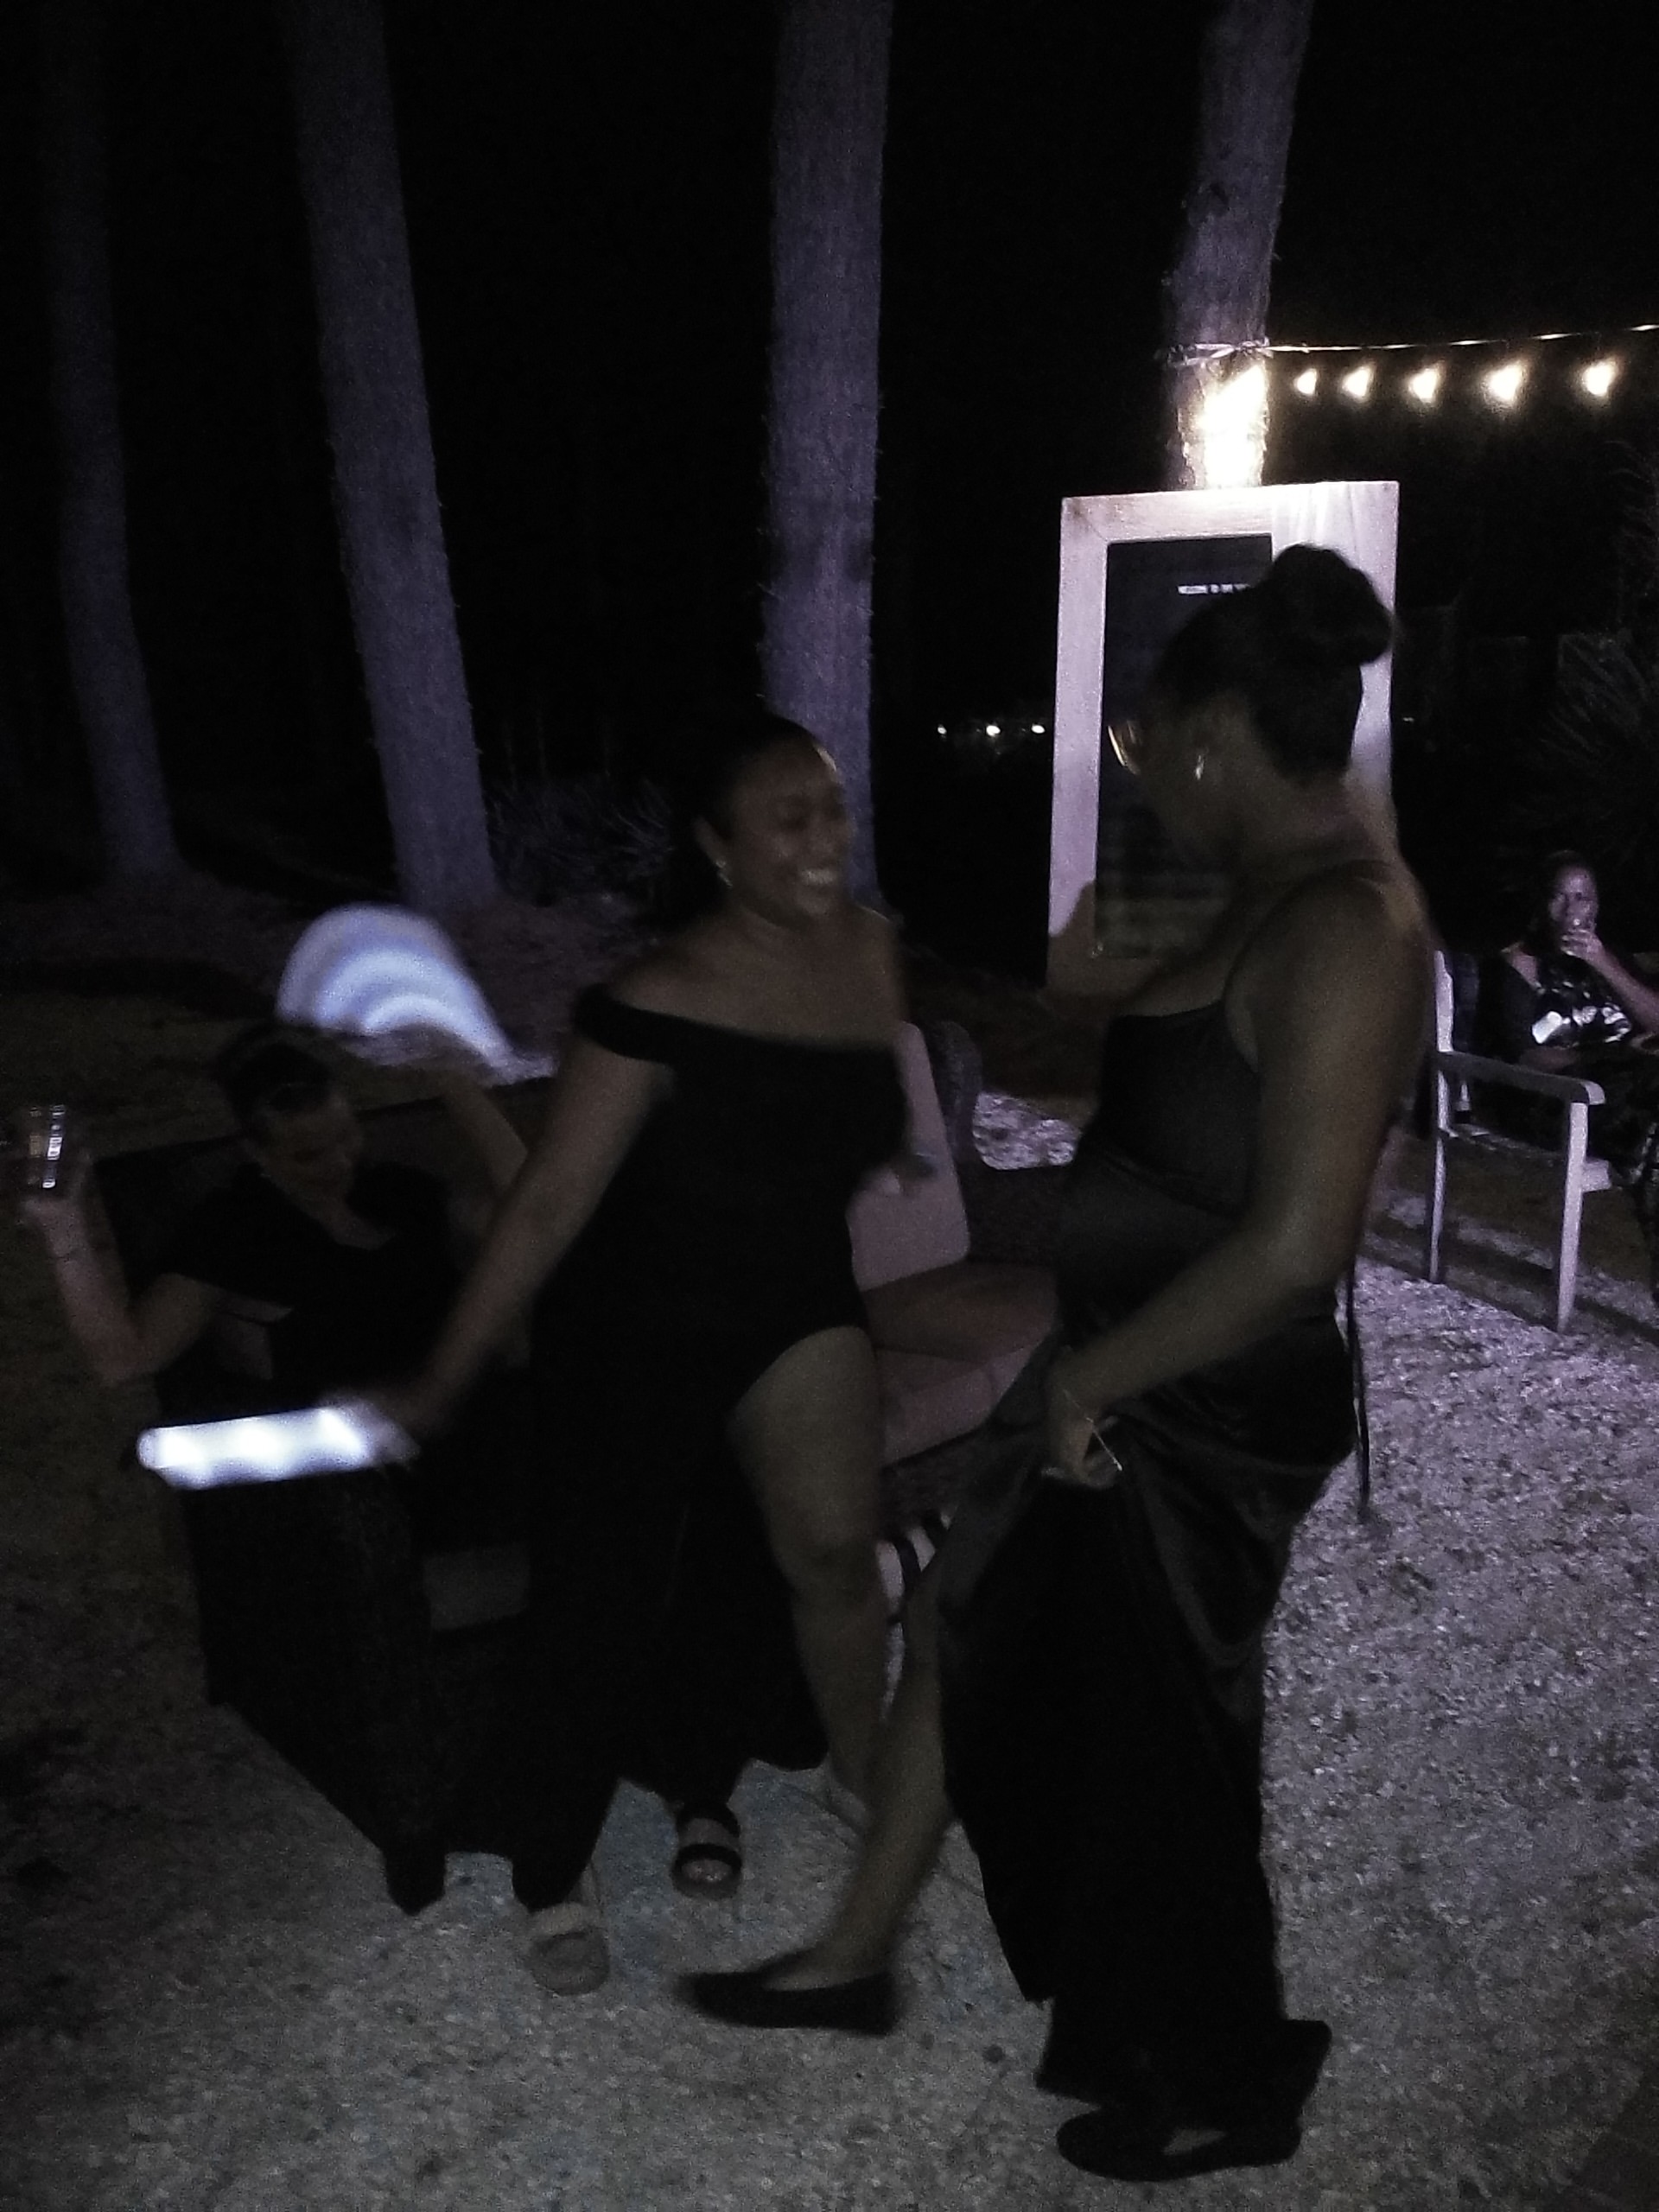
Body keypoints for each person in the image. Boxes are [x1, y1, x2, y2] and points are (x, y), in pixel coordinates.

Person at [689, 548, 1430, 2186]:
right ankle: (860, 1953)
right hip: (1130, 1365)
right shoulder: (1277, 888)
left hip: (1197, 1399)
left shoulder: (1350, 922)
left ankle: (1225, 2081)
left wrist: (1094, 1384)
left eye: (1151, 746)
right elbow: (1150, 1042)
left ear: (1219, 737)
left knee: (1172, 1745)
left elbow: (1298, 1243)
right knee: (970, 1617)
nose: (1144, 777)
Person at [384, 708, 908, 1996]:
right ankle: (552, 1855)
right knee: (599, 1598)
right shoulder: (648, 1001)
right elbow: (549, 1205)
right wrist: (448, 1370)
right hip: (635, 1321)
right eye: (788, 818)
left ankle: (862, 1773)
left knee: (834, 1550)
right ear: (716, 847)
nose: (823, 838)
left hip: (794, 1297)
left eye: (832, 808)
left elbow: (853, 1130)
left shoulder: (871, 950)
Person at [18, 1023, 531, 1546]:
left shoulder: (392, 1190)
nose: (339, 1163)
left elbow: (533, 1219)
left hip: (493, 1409)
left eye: (346, 1137)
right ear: (258, 1152)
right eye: (309, 1155)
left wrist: (454, 1080)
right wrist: (62, 1224)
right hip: (385, 1470)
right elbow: (124, 1356)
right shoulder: (239, 1229)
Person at [1489, 851, 1659, 1297]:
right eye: (1559, 897)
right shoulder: (1520, 964)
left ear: (1596, 906)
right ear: (1541, 904)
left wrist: (1604, 964)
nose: (1571, 910)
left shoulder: (1610, 957)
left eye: (1582, 898)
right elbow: (1523, 1057)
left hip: (1634, 1097)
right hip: (1561, 1101)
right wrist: (1609, 1055)